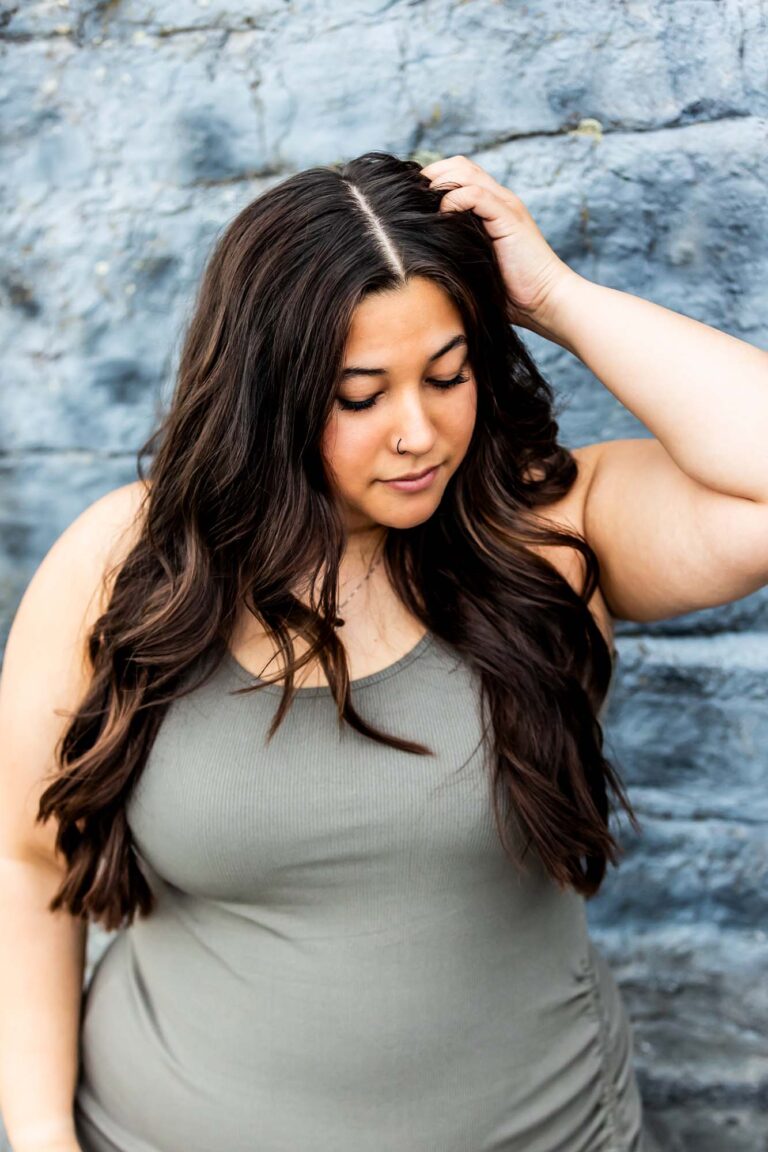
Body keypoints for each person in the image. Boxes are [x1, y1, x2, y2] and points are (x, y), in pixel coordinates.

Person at [2, 150, 767, 1152]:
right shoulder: (125, 562)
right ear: (266, 398)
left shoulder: (548, 531)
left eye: (448, 376)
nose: (419, 432)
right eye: (360, 396)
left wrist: (559, 299)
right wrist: (41, 1137)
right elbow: (25, 861)